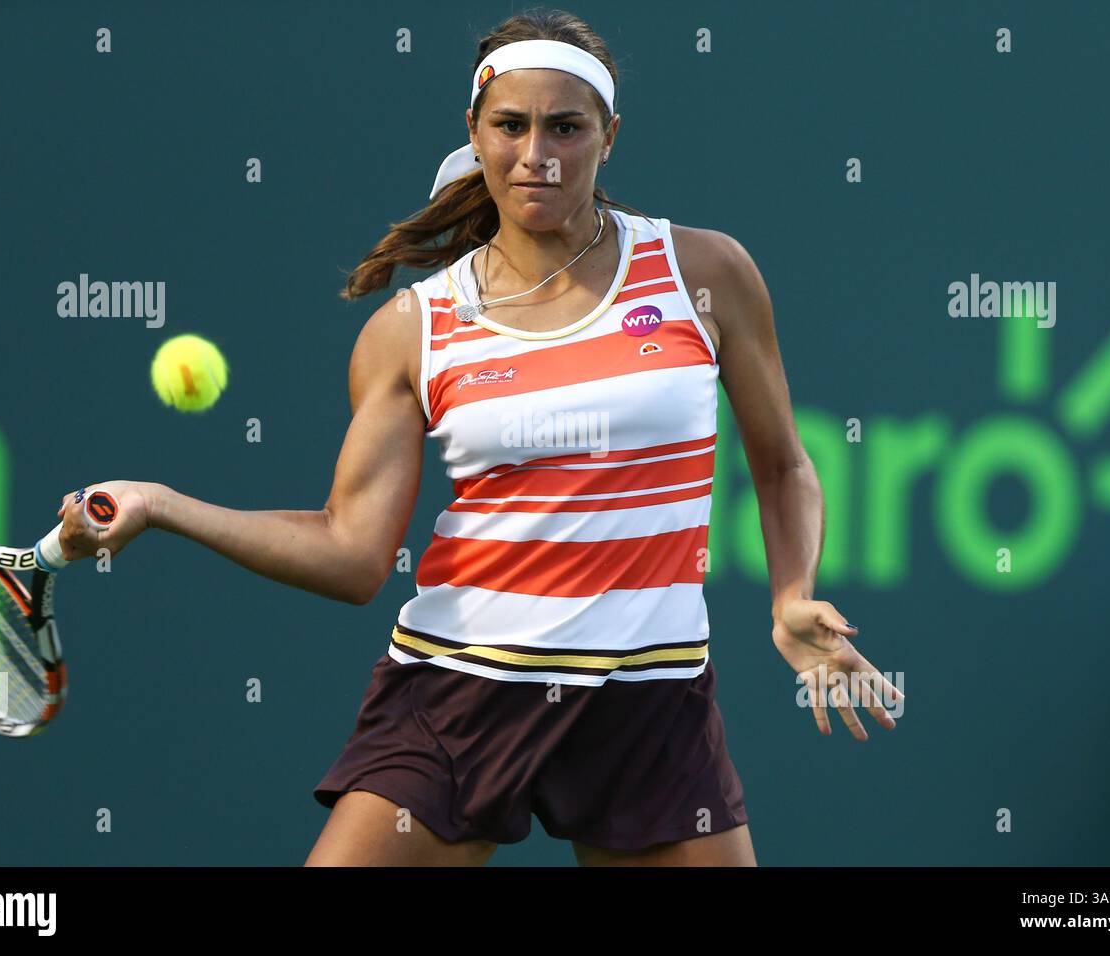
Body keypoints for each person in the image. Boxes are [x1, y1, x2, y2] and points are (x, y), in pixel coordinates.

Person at [55, 9, 899, 867]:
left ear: (610, 135)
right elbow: (352, 555)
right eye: (512, 125)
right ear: (475, 131)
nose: (539, 152)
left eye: (567, 127)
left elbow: (784, 464)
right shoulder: (413, 328)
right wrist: (163, 506)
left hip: (646, 699)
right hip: (460, 691)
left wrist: (790, 594)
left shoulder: (707, 273)